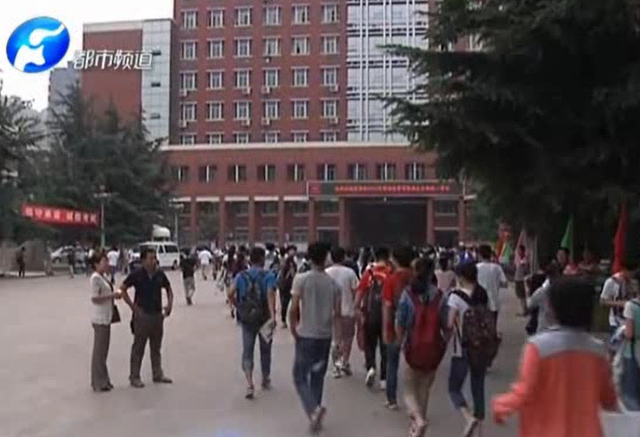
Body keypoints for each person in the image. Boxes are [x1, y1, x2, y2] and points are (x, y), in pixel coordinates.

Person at [492, 278, 618, 437]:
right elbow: (608, 400)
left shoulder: (537, 347)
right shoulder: (598, 350)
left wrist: (500, 405)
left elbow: (524, 391)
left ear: (553, 308)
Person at [289, 242, 342, 434]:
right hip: (325, 336)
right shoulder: (334, 285)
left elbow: (294, 308)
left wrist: (293, 328)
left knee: (299, 376)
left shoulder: (301, 279)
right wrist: (338, 340)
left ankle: (313, 410)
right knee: (317, 376)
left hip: (306, 335)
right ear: (326, 257)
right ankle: (315, 414)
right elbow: (337, 315)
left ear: (309, 258)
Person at [396, 257, 447, 437]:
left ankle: (417, 420)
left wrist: (399, 342)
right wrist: (444, 345)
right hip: (433, 349)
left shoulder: (408, 294)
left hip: (412, 348)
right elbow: (447, 325)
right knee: (424, 388)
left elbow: (400, 322)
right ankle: (418, 426)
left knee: (408, 390)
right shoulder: (440, 296)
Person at [119, 248, 174, 388]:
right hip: (142, 315)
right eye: (151, 258)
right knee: (138, 347)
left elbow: (168, 289)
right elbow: (122, 289)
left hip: (157, 315)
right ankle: (134, 376)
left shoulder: (160, 274)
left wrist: (169, 305)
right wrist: (133, 307)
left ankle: (157, 373)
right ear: (143, 261)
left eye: (155, 258)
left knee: (156, 347)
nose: (154, 261)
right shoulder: (137, 274)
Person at [447, 262, 491, 437]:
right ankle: (480, 430)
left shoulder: (455, 296)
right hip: (480, 347)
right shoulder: (482, 294)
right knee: (478, 388)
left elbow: (449, 323)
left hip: (462, 347)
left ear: (461, 277)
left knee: (454, 388)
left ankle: (468, 417)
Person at [229, 247, 277, 399]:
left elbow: (230, 293)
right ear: (262, 259)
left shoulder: (241, 276)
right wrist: (273, 316)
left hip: (247, 319)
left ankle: (250, 384)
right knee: (266, 350)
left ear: (250, 259)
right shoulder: (269, 275)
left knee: (247, 350)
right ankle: (265, 378)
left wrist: (238, 306)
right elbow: (270, 295)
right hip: (264, 318)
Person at [382, 246, 415, 409]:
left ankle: (391, 399)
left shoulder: (391, 279)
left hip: (395, 324)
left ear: (395, 260)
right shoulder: (416, 277)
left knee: (392, 363)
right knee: (414, 365)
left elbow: (387, 306)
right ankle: (415, 400)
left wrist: (385, 328)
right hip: (416, 325)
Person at [355, 246, 393, 389]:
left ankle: (371, 367)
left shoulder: (368, 273)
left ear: (375, 258)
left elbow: (359, 294)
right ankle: (384, 378)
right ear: (388, 257)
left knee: (369, 344)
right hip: (387, 315)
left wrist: (357, 310)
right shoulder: (391, 273)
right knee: (385, 347)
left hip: (370, 314)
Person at [89, 251, 121, 392]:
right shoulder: (95, 278)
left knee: (103, 351)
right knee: (99, 352)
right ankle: (98, 381)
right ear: (96, 264)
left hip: (106, 317)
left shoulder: (103, 277)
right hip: (100, 318)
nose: (107, 264)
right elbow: (95, 298)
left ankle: (104, 379)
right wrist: (112, 295)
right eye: (104, 262)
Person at [325, 246, 359, 378]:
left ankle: (336, 366)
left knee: (335, 339)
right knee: (348, 338)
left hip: (331, 312)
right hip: (348, 310)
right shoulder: (350, 273)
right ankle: (345, 361)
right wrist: (357, 307)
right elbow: (355, 291)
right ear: (343, 257)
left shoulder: (326, 273)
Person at [476, 244, 507, 330]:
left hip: (479, 301)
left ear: (480, 255)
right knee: (493, 326)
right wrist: (494, 282)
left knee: (480, 326)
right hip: (494, 300)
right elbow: (505, 283)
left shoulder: (476, 268)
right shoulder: (497, 268)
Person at [527, 262, 561, 334]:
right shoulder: (563, 290)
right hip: (559, 330)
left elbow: (530, 305)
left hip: (543, 329)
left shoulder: (541, 291)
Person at [600, 263, 632, 339]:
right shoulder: (611, 281)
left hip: (629, 320)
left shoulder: (630, 282)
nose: (631, 275)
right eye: (630, 273)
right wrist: (619, 303)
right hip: (615, 319)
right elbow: (602, 301)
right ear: (624, 270)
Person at [277, 245, 298, 328]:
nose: (294, 252)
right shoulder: (288, 261)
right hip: (287, 285)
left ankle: (290, 320)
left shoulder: (291, 261)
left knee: (290, 303)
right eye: (292, 250)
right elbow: (289, 273)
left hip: (287, 284)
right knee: (286, 303)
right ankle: (285, 320)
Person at [514, 245, 529, 316]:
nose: (518, 252)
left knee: (522, 295)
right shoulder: (519, 258)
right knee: (520, 296)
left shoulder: (524, 259)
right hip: (517, 278)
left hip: (522, 279)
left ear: (523, 251)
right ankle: (524, 309)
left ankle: (524, 310)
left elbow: (525, 269)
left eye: (520, 250)